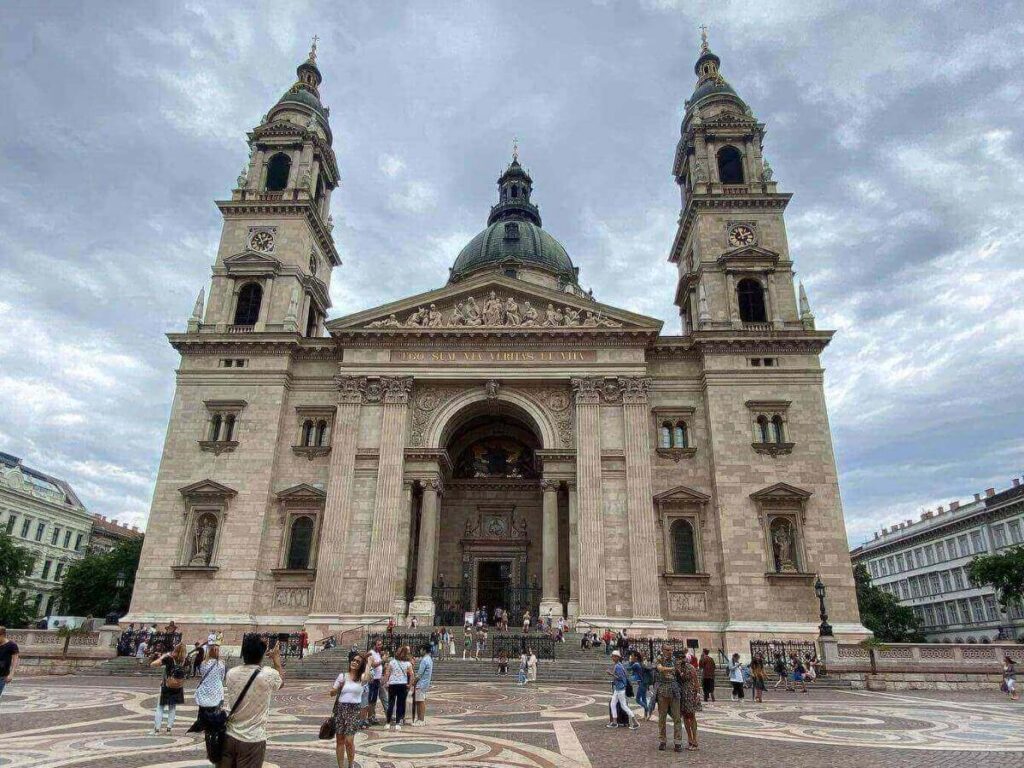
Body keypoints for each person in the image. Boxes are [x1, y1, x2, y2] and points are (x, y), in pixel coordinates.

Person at [221, 634, 284, 768]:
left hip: (229, 735)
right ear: (262, 654)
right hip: (252, 738)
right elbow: (281, 683)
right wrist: (276, 660)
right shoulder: (268, 675)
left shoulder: (231, 673)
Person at [330, 652, 370, 767]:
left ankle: (350, 764)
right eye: (353, 660)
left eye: (358, 662)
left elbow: (367, 678)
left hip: (354, 710)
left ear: (361, 665)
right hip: (341, 709)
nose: (354, 662)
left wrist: (369, 663)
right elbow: (331, 693)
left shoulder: (361, 678)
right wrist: (338, 688)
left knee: (349, 740)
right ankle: (341, 766)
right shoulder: (342, 676)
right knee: (340, 740)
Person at [150, 642, 187, 734]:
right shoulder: (184, 660)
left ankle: (157, 729)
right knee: (172, 707)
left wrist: (162, 657)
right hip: (178, 686)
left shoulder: (169, 658)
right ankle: (169, 729)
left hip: (167, 685)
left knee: (160, 707)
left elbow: (153, 664)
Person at [655, 646, 682, 751]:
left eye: (671, 650)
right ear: (663, 651)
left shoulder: (675, 660)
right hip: (663, 691)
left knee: (677, 717)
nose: (670, 652)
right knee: (662, 717)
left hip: (674, 691)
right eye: (667, 650)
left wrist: (669, 670)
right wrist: (672, 669)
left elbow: (677, 671)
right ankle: (662, 740)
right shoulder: (659, 659)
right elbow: (660, 669)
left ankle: (678, 742)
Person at [383, 645, 414, 730]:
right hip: (402, 684)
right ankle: (397, 723)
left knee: (391, 703)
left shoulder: (392, 662)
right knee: (400, 704)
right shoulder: (408, 664)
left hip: (392, 684)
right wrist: (409, 685)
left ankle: (388, 723)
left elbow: (387, 673)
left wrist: (386, 682)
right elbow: (411, 675)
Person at [608, 650, 640, 730]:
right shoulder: (618, 665)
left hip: (620, 688)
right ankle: (615, 722)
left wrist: (611, 674)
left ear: (617, 657)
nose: (612, 658)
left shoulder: (618, 666)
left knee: (623, 706)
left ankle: (635, 722)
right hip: (618, 688)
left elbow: (621, 678)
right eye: (612, 656)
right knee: (613, 704)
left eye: (614, 656)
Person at [679, 652, 701, 750]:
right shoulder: (677, 668)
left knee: (691, 716)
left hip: (690, 693)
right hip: (682, 694)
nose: (681, 660)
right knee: (684, 716)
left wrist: (698, 693)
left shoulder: (691, 667)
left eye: (682, 658)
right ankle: (690, 739)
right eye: (679, 658)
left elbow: (696, 681)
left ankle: (695, 739)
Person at [412, 644, 433, 725]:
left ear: (424, 650)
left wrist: (414, 682)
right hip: (425, 683)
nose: (420, 651)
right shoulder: (429, 659)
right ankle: (420, 719)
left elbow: (419, 674)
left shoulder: (424, 660)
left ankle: (421, 719)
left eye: (421, 649)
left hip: (421, 683)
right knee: (419, 700)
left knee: (420, 701)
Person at [366, 639, 384, 725]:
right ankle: (370, 717)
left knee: (374, 700)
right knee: (370, 699)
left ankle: (373, 716)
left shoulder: (378, 653)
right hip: (372, 680)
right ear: (374, 645)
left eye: (381, 644)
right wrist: (382, 661)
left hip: (377, 679)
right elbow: (372, 665)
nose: (380, 646)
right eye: (378, 644)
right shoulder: (371, 653)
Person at [0, 626, 19, 698]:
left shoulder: (12, 645)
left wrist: (11, 674)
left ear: (2, 635)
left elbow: (15, 661)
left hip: (2, 675)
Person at [629, 651, 649, 719]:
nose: (631, 657)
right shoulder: (641, 663)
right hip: (645, 683)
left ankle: (647, 709)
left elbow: (628, 668)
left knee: (637, 699)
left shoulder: (636, 664)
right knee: (644, 699)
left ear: (636, 657)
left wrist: (631, 661)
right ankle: (645, 716)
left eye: (632, 656)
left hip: (641, 684)